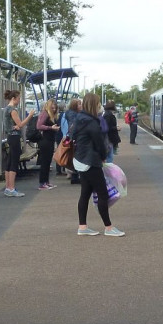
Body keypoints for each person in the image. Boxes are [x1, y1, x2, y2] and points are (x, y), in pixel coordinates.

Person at [72, 93, 124, 237]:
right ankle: (108, 227)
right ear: (94, 105)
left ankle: (82, 227)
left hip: (80, 160)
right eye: (98, 103)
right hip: (91, 162)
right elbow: (100, 144)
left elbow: (73, 136)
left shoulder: (79, 119)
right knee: (103, 194)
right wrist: (103, 157)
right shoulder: (92, 122)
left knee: (85, 194)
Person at [2, 90, 35, 197]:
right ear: (14, 98)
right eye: (18, 98)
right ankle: (11, 188)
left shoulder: (6, 109)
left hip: (9, 137)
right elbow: (20, 124)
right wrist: (30, 116)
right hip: (15, 137)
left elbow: (13, 125)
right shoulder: (13, 110)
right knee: (14, 162)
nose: (19, 100)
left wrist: (16, 126)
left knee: (9, 161)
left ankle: (8, 187)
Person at [36, 99, 61, 190]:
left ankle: (46, 181)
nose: (54, 109)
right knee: (45, 162)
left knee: (48, 162)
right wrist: (51, 127)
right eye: (52, 107)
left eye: (55, 107)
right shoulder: (44, 114)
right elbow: (39, 126)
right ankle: (42, 183)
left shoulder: (51, 115)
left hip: (50, 140)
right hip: (45, 140)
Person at [62, 98, 83, 185]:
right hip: (75, 138)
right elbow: (74, 127)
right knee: (76, 157)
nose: (81, 106)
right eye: (79, 104)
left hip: (70, 137)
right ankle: (76, 176)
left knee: (73, 156)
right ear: (75, 105)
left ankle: (74, 175)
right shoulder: (75, 115)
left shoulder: (69, 113)